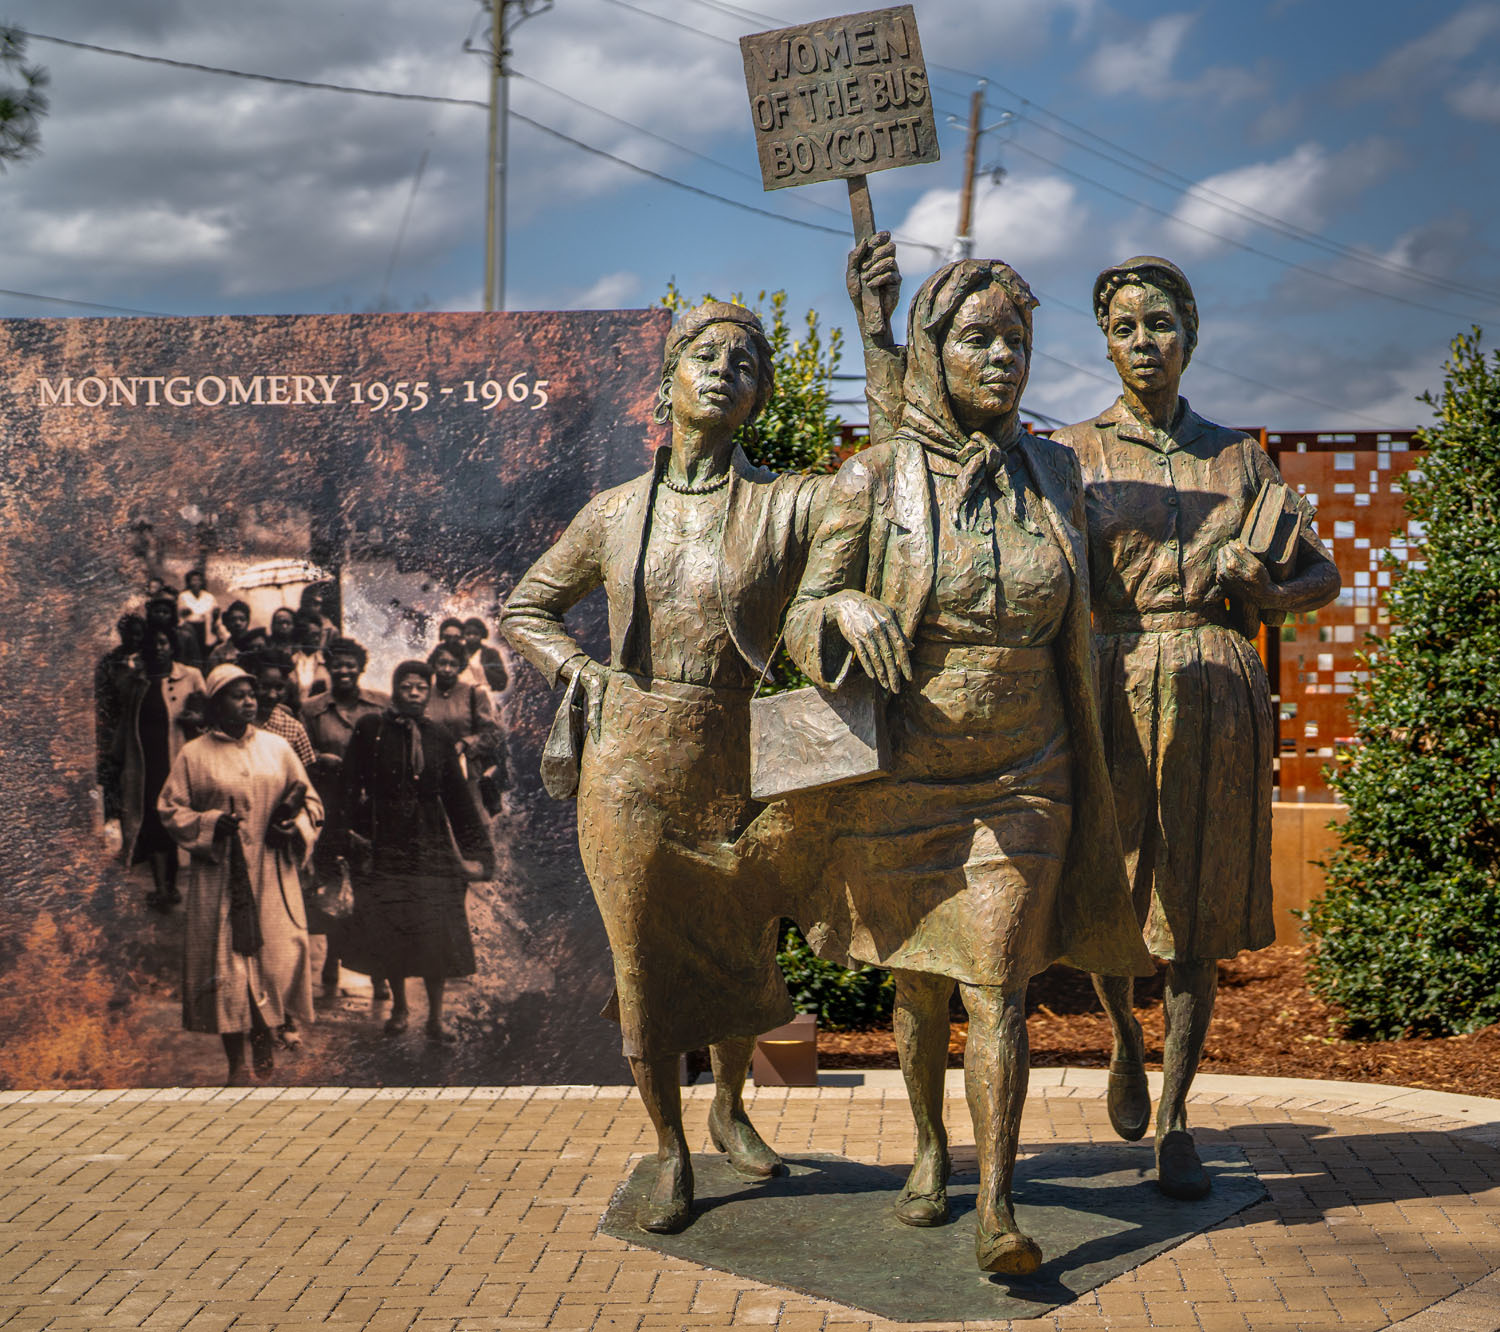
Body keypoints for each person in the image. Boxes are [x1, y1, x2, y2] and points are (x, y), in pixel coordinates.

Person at [788, 254, 1151, 1273]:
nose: (1003, 358)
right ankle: (928, 1147)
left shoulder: (1056, 475)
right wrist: (845, 608)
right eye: (980, 339)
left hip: (1026, 772)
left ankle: (996, 1203)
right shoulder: (873, 475)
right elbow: (800, 617)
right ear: (933, 352)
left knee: (996, 978)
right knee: (921, 988)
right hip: (902, 777)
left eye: (1018, 341)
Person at [503, 301, 828, 1235]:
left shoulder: (785, 503)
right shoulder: (613, 514)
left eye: (745, 362)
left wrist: (875, 326)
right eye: (704, 354)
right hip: (627, 763)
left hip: (736, 756)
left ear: (760, 396)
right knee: (642, 961)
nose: (724, 370)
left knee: (739, 953)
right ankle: (669, 1146)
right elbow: (528, 607)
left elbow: (859, 525)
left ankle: (730, 1108)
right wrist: (586, 675)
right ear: (667, 385)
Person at [1049, 257, 1341, 1198]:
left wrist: (1271, 594)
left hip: (1216, 686)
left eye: (1161, 325)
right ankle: (1127, 1035)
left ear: (1192, 334)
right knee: (1110, 891)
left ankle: (1176, 1116)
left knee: (1196, 911)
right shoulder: (1072, 453)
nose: (1145, 343)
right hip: (1110, 680)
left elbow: (1322, 576)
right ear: (1105, 340)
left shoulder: (1238, 457)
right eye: (1127, 327)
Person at [158, 664, 322, 1086]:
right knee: (226, 970)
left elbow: (313, 804)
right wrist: (211, 823)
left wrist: (293, 826)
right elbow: (171, 809)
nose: (249, 701)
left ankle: (266, 1034)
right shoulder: (194, 755)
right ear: (216, 703)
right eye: (237, 695)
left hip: (272, 872)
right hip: (219, 878)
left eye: (252, 694)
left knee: (275, 959)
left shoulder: (278, 748)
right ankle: (236, 1064)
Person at [337, 661, 495, 1042]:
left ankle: (436, 1018)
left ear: (427, 693)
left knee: (435, 930)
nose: (413, 693)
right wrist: (346, 837)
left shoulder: (438, 736)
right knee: (393, 926)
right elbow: (347, 786)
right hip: (386, 842)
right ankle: (399, 1008)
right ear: (395, 689)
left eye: (420, 688)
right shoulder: (371, 730)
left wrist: (479, 853)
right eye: (406, 686)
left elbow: (458, 799)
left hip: (431, 843)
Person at [303, 637, 387, 997]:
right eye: (338, 664)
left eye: (351, 664)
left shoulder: (381, 705)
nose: (344, 670)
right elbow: (300, 760)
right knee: (336, 888)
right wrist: (321, 760)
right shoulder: (311, 709)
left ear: (361, 666)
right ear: (328, 667)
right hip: (330, 809)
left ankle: (380, 973)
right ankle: (331, 962)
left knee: (371, 890)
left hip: (369, 811)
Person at [114, 625, 207, 911]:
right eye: (152, 644)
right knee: (153, 823)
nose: (158, 649)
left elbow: (207, 712)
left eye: (163, 642)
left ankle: (173, 882)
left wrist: (197, 718)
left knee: (176, 820)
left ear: (173, 646)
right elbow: (122, 716)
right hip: (146, 764)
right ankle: (162, 887)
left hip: (178, 760)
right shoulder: (136, 681)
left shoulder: (190, 676)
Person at [425, 641, 502, 820]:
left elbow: (493, 735)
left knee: (473, 822)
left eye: (453, 664)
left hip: (469, 772)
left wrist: (465, 743)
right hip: (433, 771)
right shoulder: (424, 694)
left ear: (460, 667)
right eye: (442, 663)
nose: (446, 669)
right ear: (434, 664)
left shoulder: (474, 694)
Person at [95, 612, 146, 822]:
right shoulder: (110, 662)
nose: (134, 639)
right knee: (114, 775)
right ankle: (114, 821)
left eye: (138, 635)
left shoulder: (149, 660)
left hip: (140, 728)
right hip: (115, 728)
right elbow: (102, 699)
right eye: (129, 634)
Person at [177, 568, 220, 661]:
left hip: (205, 627)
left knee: (206, 649)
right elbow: (180, 612)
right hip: (189, 627)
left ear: (202, 582)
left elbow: (215, 610)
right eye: (193, 580)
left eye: (198, 580)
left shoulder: (208, 596)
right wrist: (185, 611)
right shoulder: (183, 595)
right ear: (188, 582)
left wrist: (214, 613)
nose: (196, 583)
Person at [291, 613, 332, 705]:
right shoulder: (291, 661)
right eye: (313, 635)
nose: (317, 639)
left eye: (319, 635)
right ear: (302, 636)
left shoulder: (325, 663)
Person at [208, 600, 264, 667]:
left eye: (242, 619)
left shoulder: (258, 646)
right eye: (233, 619)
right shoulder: (218, 652)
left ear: (248, 622)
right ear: (227, 623)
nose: (238, 623)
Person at [461, 617, 509, 693]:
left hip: (483, 695)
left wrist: (483, 670)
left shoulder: (490, 653)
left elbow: (502, 682)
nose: (472, 637)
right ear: (463, 635)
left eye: (475, 634)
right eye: (468, 634)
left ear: (482, 634)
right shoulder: (457, 652)